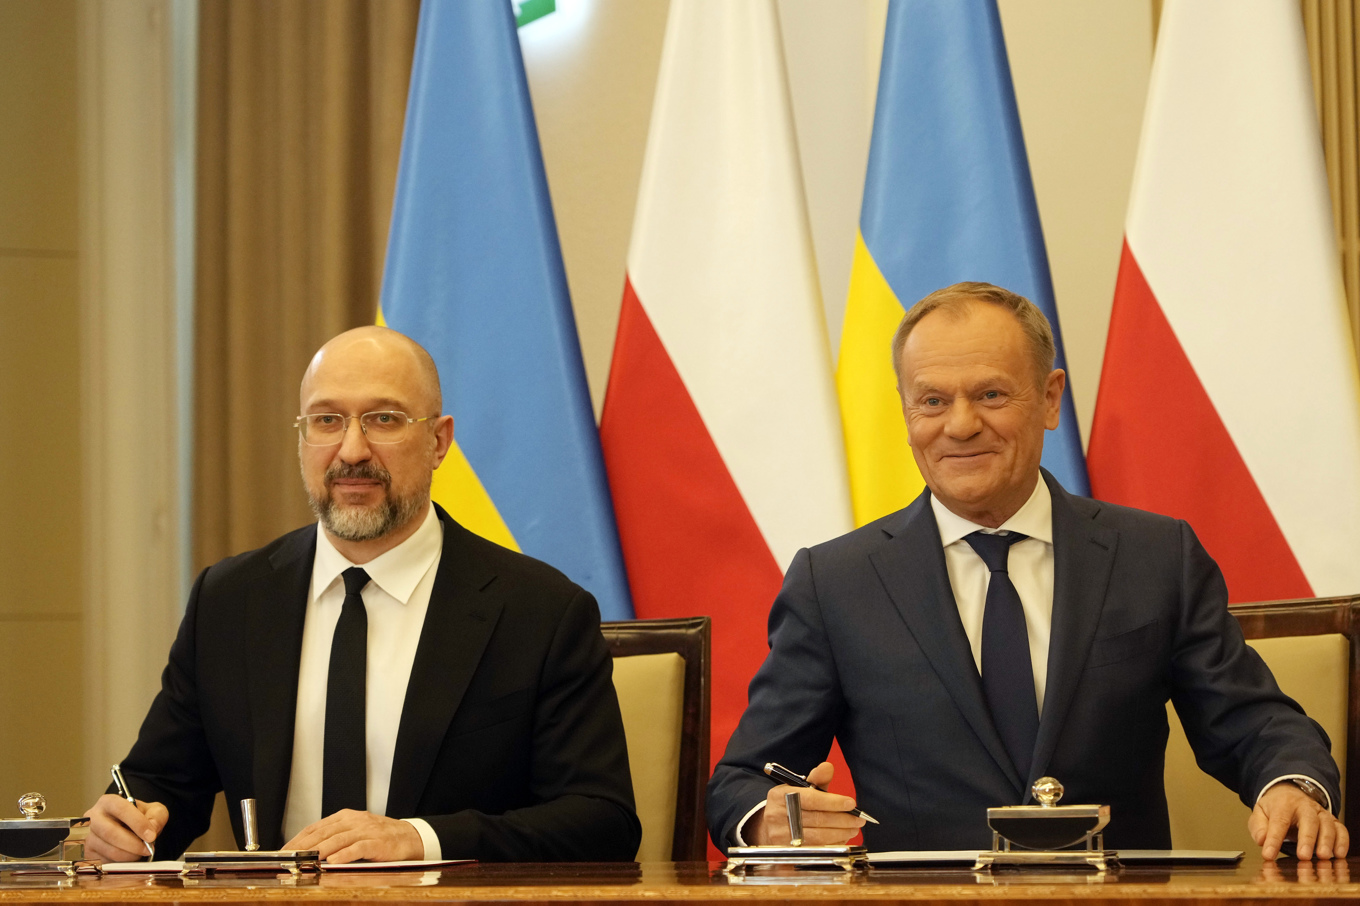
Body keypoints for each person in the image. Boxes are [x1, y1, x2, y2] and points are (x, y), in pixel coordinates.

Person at [707, 282, 1348, 860]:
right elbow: (743, 782)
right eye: (932, 400)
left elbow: (1253, 722)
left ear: (1049, 398)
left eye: (990, 394)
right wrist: (770, 819)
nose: (960, 425)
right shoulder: (836, 582)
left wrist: (1290, 785)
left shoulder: (1155, 556)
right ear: (906, 414)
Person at [84, 326, 640, 864]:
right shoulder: (230, 601)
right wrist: (130, 826)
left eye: (384, 419)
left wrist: (418, 840)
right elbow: (160, 787)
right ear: (303, 437)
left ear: (439, 441)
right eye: (327, 420)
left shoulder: (539, 611)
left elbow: (601, 820)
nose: (351, 451)